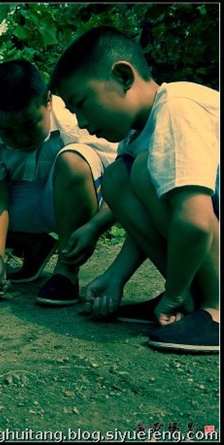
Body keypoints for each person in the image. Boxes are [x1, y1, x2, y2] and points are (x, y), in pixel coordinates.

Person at [50, 26, 219, 353]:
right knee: (118, 177)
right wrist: (116, 275)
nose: (81, 122)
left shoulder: (177, 108)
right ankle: (196, 300)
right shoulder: (136, 135)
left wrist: (174, 293)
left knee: (141, 171)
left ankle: (215, 306)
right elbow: (153, 213)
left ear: (123, 77)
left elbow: (195, 222)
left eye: (81, 104)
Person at [0, 60, 118, 304]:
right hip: (25, 200)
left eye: (30, 124)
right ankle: (35, 245)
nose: (21, 138)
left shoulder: (77, 123)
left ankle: (66, 273)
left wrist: (95, 227)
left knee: (73, 161)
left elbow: (122, 183)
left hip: (75, 202)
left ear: (49, 101)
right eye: (7, 132)